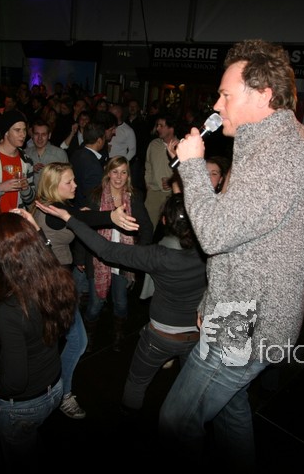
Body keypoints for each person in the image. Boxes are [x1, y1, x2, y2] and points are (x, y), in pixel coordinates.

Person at [158, 39, 304, 470]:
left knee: (176, 422)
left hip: (245, 328)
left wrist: (192, 165)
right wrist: (209, 303)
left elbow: (216, 234)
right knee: (230, 411)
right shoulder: (269, 145)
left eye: (225, 95)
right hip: (242, 313)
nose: (217, 105)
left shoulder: (280, 155)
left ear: (263, 94)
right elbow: (241, 241)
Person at [37, 192, 206, 414]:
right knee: (189, 386)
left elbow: (106, 250)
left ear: (164, 221)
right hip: (198, 334)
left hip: (162, 336)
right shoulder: (210, 250)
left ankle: (128, 426)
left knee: (137, 383)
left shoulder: (158, 256)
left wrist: (69, 219)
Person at [26, 162, 137, 420]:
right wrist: (110, 216)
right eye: (69, 182)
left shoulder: (49, 204)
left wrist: (78, 213)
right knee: (74, 341)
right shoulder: (55, 210)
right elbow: (80, 219)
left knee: (56, 343)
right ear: (54, 186)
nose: (75, 185)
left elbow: (75, 215)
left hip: (51, 282)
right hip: (53, 286)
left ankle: (49, 392)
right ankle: (61, 394)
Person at [0, 212, 77, 470]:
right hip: (55, 386)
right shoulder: (54, 281)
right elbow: (50, 259)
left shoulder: (10, 308)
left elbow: (15, 382)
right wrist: (35, 232)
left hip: (25, 405)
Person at [79, 155, 153, 353]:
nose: (119, 177)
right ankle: (87, 338)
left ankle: (118, 336)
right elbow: (83, 227)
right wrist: (79, 258)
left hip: (123, 259)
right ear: (108, 173)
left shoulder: (134, 197)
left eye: (123, 172)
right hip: (97, 258)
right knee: (95, 304)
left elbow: (147, 226)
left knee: (121, 302)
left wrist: (139, 252)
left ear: (128, 175)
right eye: (115, 172)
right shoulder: (95, 196)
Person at [25, 118, 68, 189]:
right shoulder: (25, 154)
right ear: (32, 135)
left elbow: (67, 179)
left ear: (49, 135)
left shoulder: (60, 154)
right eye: (36, 134)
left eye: (43, 134)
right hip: (30, 195)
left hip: (53, 195)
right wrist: (30, 170)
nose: (40, 138)